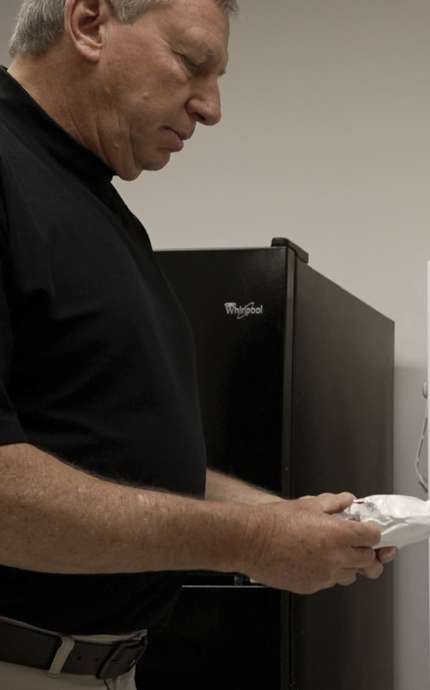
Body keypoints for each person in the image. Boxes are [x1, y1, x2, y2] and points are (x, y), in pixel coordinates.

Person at [0, 1, 395, 687]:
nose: (211, 108)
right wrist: (255, 541)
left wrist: (278, 516)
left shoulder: (100, 207)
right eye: (191, 63)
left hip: (101, 667)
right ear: (89, 23)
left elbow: (108, 454)